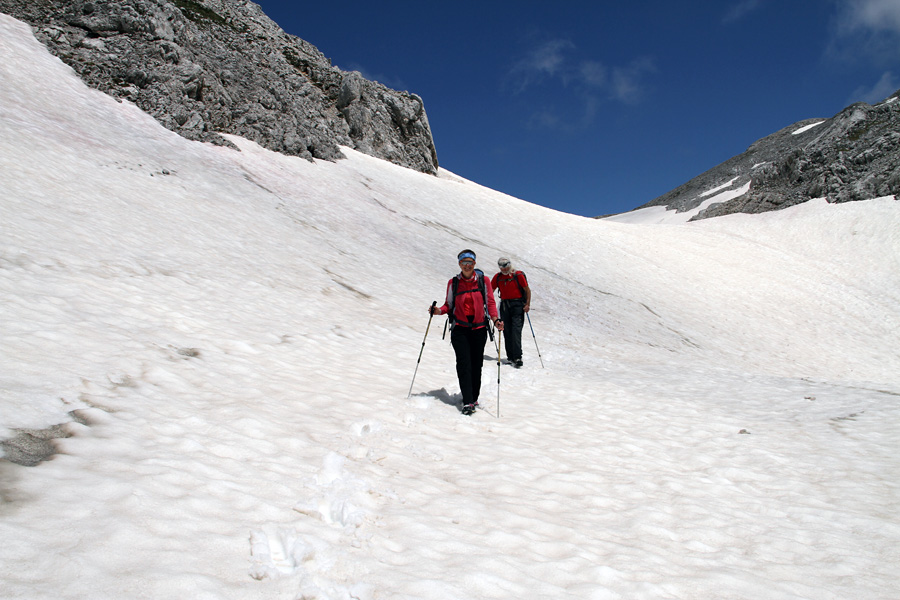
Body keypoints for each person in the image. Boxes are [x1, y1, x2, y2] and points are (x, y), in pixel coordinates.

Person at [430, 249, 503, 414]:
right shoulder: (453, 283)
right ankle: (468, 401)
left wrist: (495, 319)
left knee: (476, 365)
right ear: (459, 264)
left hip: (479, 330)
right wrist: (438, 311)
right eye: (464, 263)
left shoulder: (484, 281)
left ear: (474, 264)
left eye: (470, 262)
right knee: (464, 364)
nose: (467, 266)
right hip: (460, 330)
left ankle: (473, 397)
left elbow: (490, 303)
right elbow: (448, 305)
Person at [491, 257, 530, 368]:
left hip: (517, 306)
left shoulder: (518, 275)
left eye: (506, 266)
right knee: (507, 330)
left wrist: (527, 304)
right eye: (501, 266)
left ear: (510, 264)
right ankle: (510, 356)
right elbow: (490, 290)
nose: (504, 268)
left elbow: (527, 290)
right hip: (505, 306)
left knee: (516, 331)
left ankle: (517, 357)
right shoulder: (498, 277)